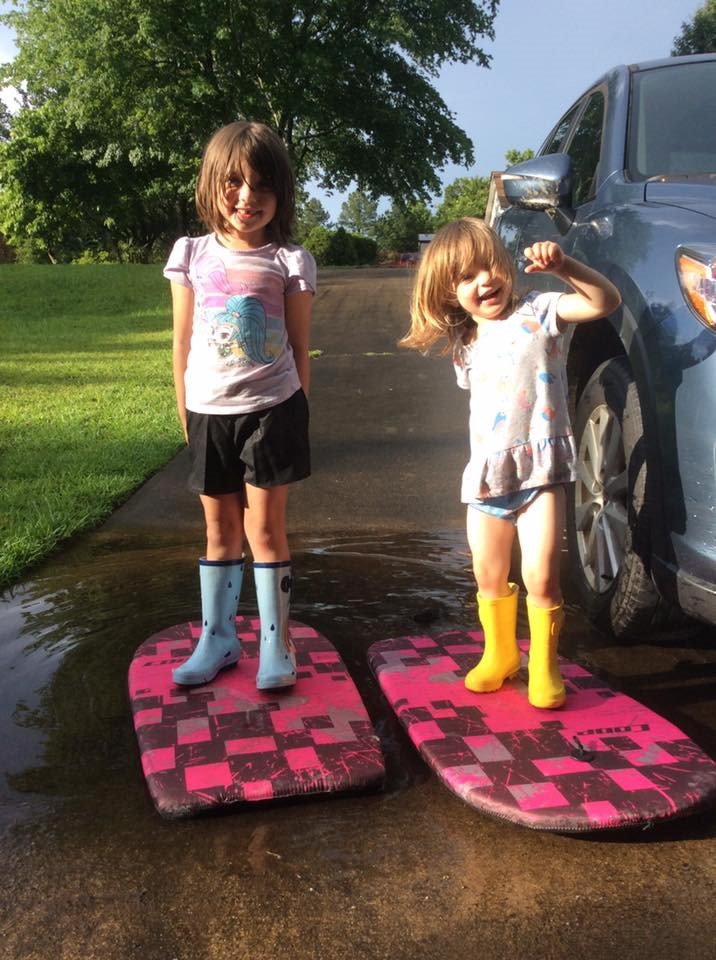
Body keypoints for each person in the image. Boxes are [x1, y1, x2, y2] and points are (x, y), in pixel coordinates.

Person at [401, 218, 621, 709]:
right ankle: (501, 653)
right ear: (448, 292)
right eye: (466, 277)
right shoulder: (466, 346)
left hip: (540, 474)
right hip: (487, 477)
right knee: (488, 575)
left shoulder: (541, 310)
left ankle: (543, 664)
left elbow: (605, 302)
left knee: (542, 575)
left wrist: (565, 267)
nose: (484, 281)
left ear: (505, 263)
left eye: (489, 265)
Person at [163, 121, 315, 691]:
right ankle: (219, 639)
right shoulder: (191, 253)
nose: (247, 198)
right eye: (233, 183)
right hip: (208, 411)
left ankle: (277, 645)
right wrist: (185, 409)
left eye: (261, 187)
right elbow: (181, 340)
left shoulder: (290, 259)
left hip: (273, 408)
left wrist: (299, 409)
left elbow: (300, 347)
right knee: (219, 530)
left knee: (266, 531)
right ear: (211, 185)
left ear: (280, 196)